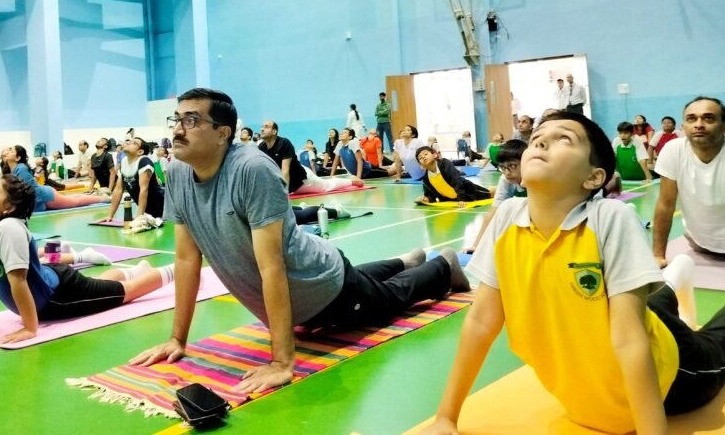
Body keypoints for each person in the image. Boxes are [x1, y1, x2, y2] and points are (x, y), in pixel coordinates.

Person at [420, 112, 725, 435]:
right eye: (537, 139)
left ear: (593, 178)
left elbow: (629, 339)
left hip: (673, 375)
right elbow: (480, 322)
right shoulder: (507, 217)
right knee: (646, 303)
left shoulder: (609, 217)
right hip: (614, 325)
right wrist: (445, 418)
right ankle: (675, 275)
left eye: (564, 138)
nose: (542, 143)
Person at [130, 88, 470, 392]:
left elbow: (272, 265)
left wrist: (282, 362)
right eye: (177, 119)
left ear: (222, 134)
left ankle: (443, 266)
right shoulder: (176, 173)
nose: (177, 129)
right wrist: (178, 338)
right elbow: (188, 259)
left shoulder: (251, 169)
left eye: (191, 120)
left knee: (391, 298)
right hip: (313, 279)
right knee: (363, 282)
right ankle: (403, 262)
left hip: (322, 289)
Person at [0, 176, 175, 344]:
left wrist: (29, 327)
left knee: (127, 293)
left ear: (9, 207)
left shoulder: (8, 227)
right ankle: (137, 269)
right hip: (54, 279)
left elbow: (19, 281)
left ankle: (178, 271)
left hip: (58, 296)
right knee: (98, 287)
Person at [652, 96, 725, 265]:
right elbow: (665, 205)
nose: (698, 124)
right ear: (683, 127)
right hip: (700, 246)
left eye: (708, 118)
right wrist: (657, 255)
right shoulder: (673, 150)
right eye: (691, 119)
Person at [261, 122, 362, 195]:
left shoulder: (283, 143)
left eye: (266, 127)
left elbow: (285, 170)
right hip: (291, 186)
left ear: (274, 131)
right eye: (262, 127)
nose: (262, 129)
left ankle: (352, 181)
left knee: (326, 186)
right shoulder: (261, 147)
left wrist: (284, 194)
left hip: (302, 180)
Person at [466, 139, 527, 253]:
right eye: (503, 167)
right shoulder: (506, 179)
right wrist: (477, 245)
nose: (507, 172)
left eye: (512, 166)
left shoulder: (540, 178)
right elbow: (494, 211)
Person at [3, 145, 107, 212]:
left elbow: (28, 190)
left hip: (45, 195)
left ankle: (103, 199)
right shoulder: (14, 170)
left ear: (17, 158)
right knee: (73, 198)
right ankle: (98, 196)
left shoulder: (21, 169)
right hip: (44, 193)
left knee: (75, 202)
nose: (8, 152)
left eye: (11, 150)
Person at [102, 137, 165, 222]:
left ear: (140, 152)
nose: (128, 143)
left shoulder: (144, 162)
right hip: (148, 212)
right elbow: (118, 190)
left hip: (163, 209)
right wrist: (110, 215)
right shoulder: (124, 161)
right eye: (129, 141)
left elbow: (144, 190)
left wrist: (139, 216)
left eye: (134, 143)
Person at [415, 147, 492, 204]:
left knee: (489, 194)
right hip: (452, 200)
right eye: (420, 158)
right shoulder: (426, 178)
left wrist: (462, 199)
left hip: (468, 191)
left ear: (435, 155)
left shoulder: (444, 163)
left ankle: (496, 189)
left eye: (425, 154)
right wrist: (426, 199)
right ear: (421, 165)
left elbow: (457, 181)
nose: (423, 157)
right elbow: (430, 195)